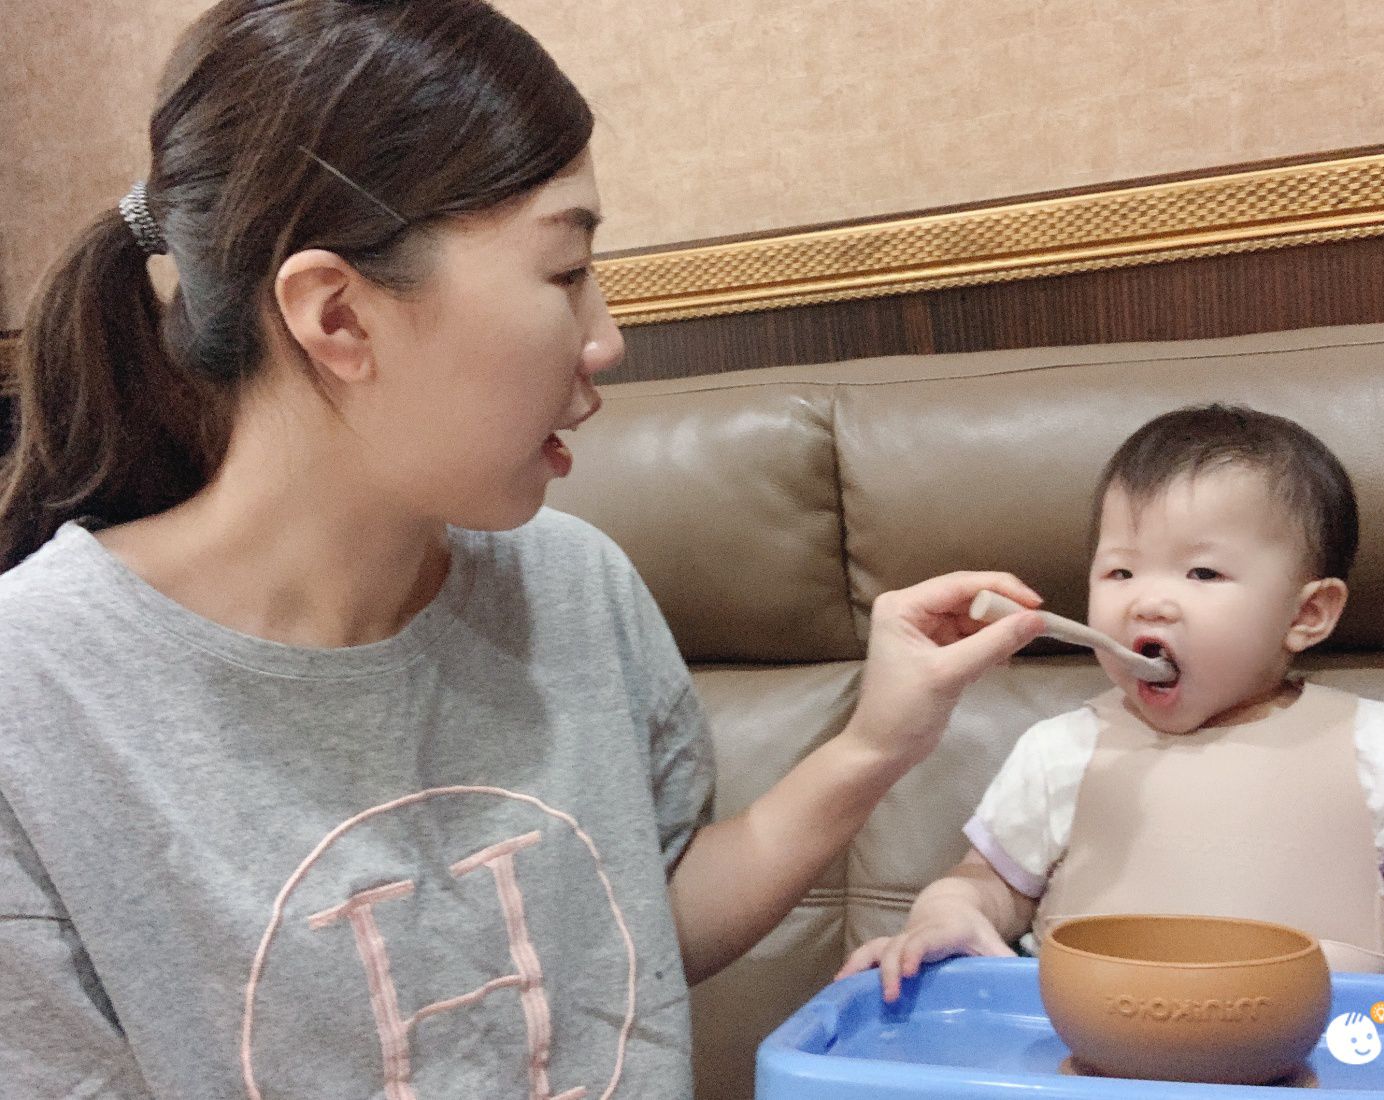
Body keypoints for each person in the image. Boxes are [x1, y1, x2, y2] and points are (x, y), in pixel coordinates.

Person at [0, 3, 1050, 1097]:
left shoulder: (572, 583)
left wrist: (876, 742)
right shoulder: (34, 698)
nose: (607, 339)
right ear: (337, 315)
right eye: (564, 270)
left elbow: (629, 942)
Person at [840, 404, 1384, 1012]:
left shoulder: (1381, 741)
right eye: (1120, 570)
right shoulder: (1060, 748)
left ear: (1307, 614)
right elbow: (990, 885)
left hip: (1321, 1057)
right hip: (1098, 1057)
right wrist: (947, 911)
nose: (1147, 600)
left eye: (1202, 572)